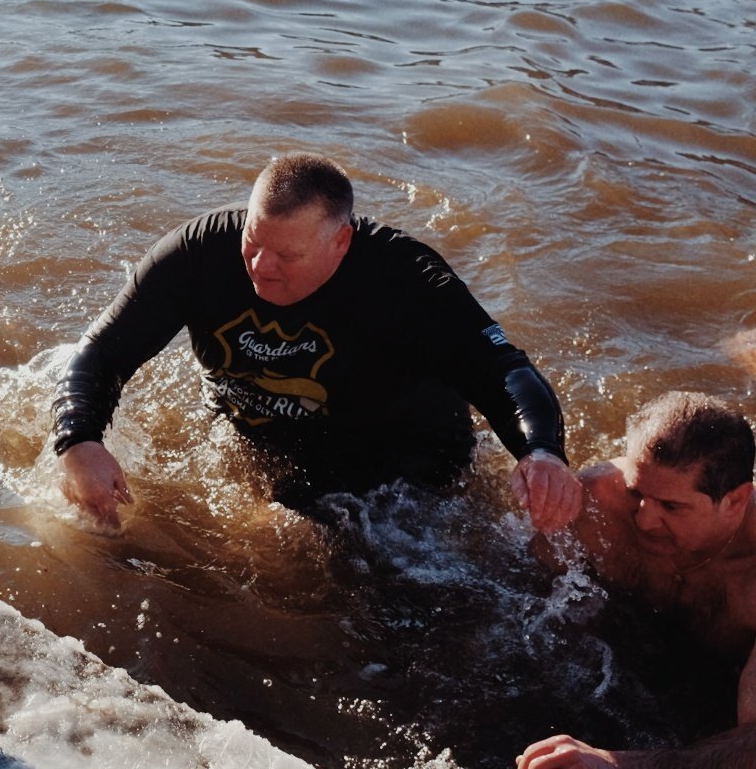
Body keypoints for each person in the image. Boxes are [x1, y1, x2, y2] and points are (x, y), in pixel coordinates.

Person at [50, 151, 582, 531]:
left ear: (341, 241)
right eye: (254, 241)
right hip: (266, 436)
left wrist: (541, 453)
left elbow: (503, 369)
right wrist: (78, 440)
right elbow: (102, 351)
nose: (261, 267)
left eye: (287, 255)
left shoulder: (407, 280)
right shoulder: (199, 253)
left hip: (399, 468)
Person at [518, 392, 756, 768]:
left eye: (671, 507)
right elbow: (512, 594)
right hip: (617, 658)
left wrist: (619, 764)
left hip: (717, 691)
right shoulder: (597, 502)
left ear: (736, 501)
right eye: (636, 493)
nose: (644, 520)